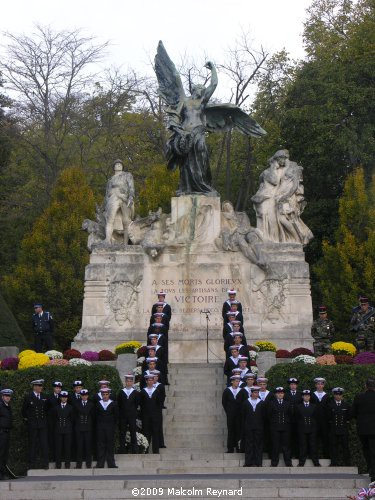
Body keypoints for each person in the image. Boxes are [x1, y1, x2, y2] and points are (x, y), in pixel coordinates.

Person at [104, 159, 135, 244]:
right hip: (113, 197)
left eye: (120, 164)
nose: (118, 165)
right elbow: (106, 193)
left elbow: (131, 187)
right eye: (116, 164)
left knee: (126, 221)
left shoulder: (127, 175)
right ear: (114, 167)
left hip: (124, 197)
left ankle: (126, 243)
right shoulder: (110, 179)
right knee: (110, 219)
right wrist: (105, 206)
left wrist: (131, 197)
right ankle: (107, 240)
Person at [22, 379, 49, 470]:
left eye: (41, 386)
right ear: (34, 387)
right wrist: (29, 421)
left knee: (44, 444)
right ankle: (31, 464)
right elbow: (24, 411)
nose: (41, 387)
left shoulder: (44, 396)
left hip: (42, 424)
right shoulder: (28, 397)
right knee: (32, 444)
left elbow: (47, 410)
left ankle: (45, 463)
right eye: (39, 386)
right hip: (33, 424)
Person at [351, 378, 375, 482]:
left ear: (365, 386)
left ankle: (371, 469)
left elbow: (353, 413)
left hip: (363, 429)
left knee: (366, 450)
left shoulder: (359, 397)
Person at [326, 387, 351, 466]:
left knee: (345, 447)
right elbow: (328, 417)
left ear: (342, 396)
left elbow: (349, 416)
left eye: (339, 395)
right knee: (333, 447)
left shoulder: (346, 405)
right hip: (334, 429)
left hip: (343, 429)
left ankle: (347, 463)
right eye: (336, 394)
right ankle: (334, 462)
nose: (338, 396)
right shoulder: (330, 405)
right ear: (334, 395)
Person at [268, 387, 293, 467]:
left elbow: (291, 415)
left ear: (284, 394)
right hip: (275, 427)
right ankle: (274, 462)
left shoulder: (287, 403)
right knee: (275, 445)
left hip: (285, 427)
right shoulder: (271, 403)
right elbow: (269, 415)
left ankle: (288, 462)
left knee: (286, 446)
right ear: (276, 394)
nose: (280, 394)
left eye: (281, 393)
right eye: (278, 393)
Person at [94, 388, 119, 468]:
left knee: (110, 445)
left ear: (109, 395)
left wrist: (113, 426)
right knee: (100, 445)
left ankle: (111, 463)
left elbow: (116, 416)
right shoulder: (98, 404)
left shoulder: (113, 403)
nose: (105, 396)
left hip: (110, 428)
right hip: (100, 428)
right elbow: (95, 416)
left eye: (106, 394)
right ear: (101, 395)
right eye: (103, 395)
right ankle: (100, 463)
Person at [295, 389, 320, 467]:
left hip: (312, 428)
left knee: (313, 445)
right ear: (302, 397)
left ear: (310, 397)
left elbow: (316, 417)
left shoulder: (314, 406)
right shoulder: (298, 406)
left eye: (308, 396)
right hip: (302, 429)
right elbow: (296, 418)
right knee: (302, 445)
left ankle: (316, 462)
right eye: (305, 396)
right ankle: (301, 462)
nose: (306, 397)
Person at [140, 374, 163, 454]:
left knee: (155, 433)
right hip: (146, 416)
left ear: (153, 381)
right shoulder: (143, 391)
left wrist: (157, 414)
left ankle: (155, 451)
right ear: (146, 381)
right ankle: (145, 450)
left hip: (155, 416)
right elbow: (141, 404)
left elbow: (159, 403)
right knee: (146, 432)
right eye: (148, 380)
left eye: (151, 380)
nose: (150, 381)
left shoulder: (157, 391)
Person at [242, 386, 264, 467]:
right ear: (251, 393)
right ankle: (248, 462)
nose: (256, 394)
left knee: (258, 444)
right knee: (249, 444)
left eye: (257, 392)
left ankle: (258, 462)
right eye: (254, 392)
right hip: (249, 427)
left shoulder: (261, 403)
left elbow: (264, 416)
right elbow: (243, 416)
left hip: (259, 427)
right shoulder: (245, 403)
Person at [118, 374, 140, 454]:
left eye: (131, 381)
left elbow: (137, 404)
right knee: (122, 432)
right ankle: (122, 449)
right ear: (125, 382)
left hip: (132, 415)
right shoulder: (121, 392)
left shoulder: (136, 393)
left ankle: (134, 449)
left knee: (133, 431)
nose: (129, 383)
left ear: (132, 382)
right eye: (127, 381)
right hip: (123, 416)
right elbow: (119, 404)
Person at [53, 391, 73, 469]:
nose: (64, 398)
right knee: (58, 447)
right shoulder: (56, 407)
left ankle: (67, 465)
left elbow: (72, 419)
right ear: (60, 398)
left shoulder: (70, 407)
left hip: (67, 430)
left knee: (67, 447)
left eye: (65, 397)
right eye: (62, 397)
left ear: (67, 398)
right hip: (58, 429)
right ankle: (58, 465)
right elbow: (54, 419)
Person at [74, 389, 94, 469]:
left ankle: (88, 464)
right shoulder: (77, 404)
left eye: (86, 395)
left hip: (88, 428)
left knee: (88, 446)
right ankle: (79, 465)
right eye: (83, 395)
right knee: (79, 446)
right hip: (79, 428)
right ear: (81, 396)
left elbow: (93, 417)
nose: (84, 397)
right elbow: (74, 417)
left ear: (87, 396)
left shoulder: (91, 404)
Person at [222, 375, 242, 453]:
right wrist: (228, 411)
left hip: (239, 415)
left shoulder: (241, 390)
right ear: (232, 381)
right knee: (230, 430)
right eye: (236, 381)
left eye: (238, 381)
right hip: (230, 414)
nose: (237, 383)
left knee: (238, 430)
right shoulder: (227, 390)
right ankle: (230, 448)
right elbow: (224, 402)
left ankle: (238, 447)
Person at [310, 377, 330, 458]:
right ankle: (314, 456)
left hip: (324, 422)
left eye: (321, 384)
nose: (319, 385)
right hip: (314, 421)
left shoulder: (327, 396)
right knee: (314, 439)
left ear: (323, 385)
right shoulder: (312, 395)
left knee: (325, 439)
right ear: (315, 385)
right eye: (318, 384)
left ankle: (326, 455)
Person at [285, 377, 302, 458]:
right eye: (291, 384)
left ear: (297, 385)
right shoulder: (286, 394)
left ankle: (298, 454)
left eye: (294, 384)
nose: (293, 386)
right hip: (288, 419)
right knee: (289, 437)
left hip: (298, 419)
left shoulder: (300, 394)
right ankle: (290, 454)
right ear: (289, 385)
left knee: (298, 437)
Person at [0, 389, 13, 480]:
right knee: (1, 454)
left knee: (4, 454)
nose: (7, 397)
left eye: (9, 396)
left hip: (6, 433)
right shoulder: (1, 406)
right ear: (2, 397)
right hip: (1, 433)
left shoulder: (8, 406)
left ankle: (4, 473)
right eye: (6, 396)